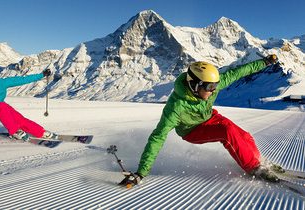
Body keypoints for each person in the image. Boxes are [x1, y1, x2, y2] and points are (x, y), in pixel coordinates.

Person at [119, 54, 281, 186]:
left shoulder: (211, 86)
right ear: (195, 85)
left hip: (209, 116)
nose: (214, 90)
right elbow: (157, 137)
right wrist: (141, 172)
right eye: (210, 87)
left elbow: (240, 72)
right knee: (227, 133)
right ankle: (253, 168)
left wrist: (264, 62)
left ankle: (258, 160)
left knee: (244, 135)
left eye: (215, 85)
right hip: (192, 130)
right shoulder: (176, 107)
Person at [0, 69, 57, 141]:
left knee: (18, 119)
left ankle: (40, 132)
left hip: (1, 106)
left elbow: (23, 80)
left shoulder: (1, 82)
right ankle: (15, 131)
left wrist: (42, 75)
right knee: (2, 107)